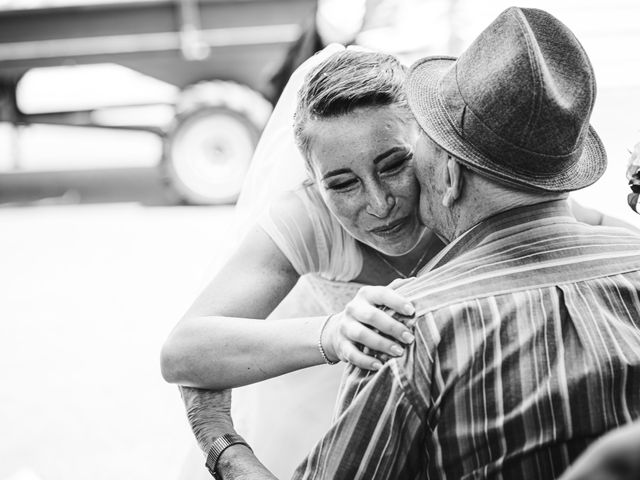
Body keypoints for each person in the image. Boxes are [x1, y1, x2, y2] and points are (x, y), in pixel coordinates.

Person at [164, 31, 638, 480]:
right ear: (312, 180)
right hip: (334, 413)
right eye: (342, 183)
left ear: (436, 151)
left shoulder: (477, 195)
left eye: (394, 164)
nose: (379, 202)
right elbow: (183, 349)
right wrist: (335, 333)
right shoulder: (307, 219)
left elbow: (590, 233)